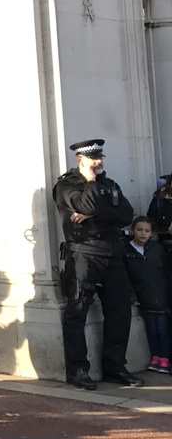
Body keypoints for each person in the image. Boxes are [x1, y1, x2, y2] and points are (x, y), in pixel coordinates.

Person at [53, 138, 143, 389]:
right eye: (94, 158)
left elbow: (126, 214)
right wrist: (90, 183)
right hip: (83, 254)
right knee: (77, 310)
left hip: (113, 254)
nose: (100, 162)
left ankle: (115, 366)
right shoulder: (65, 185)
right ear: (81, 160)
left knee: (119, 311)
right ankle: (78, 370)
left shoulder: (110, 185)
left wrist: (95, 213)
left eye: (100, 157)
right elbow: (84, 204)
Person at [123, 216, 170, 374]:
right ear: (132, 230)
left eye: (147, 231)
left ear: (152, 233)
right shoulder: (126, 250)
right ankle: (155, 357)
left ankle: (164, 358)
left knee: (162, 328)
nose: (143, 233)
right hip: (143, 296)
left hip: (161, 294)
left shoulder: (156, 249)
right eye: (139, 230)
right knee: (151, 328)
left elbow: (164, 272)